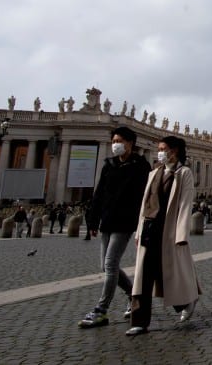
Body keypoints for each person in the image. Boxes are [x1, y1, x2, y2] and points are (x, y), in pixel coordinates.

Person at [127, 136, 202, 336]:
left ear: (174, 151)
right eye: (159, 148)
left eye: (163, 148)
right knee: (143, 276)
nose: (160, 152)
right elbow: (145, 204)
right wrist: (139, 230)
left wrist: (181, 234)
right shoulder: (153, 173)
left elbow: (186, 204)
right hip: (149, 229)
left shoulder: (183, 173)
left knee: (166, 272)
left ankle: (186, 301)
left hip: (168, 230)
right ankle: (139, 321)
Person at [79, 126, 152, 329]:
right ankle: (132, 297)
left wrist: (141, 222)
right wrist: (92, 221)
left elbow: (144, 197)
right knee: (105, 266)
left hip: (125, 221)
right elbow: (99, 193)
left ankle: (101, 310)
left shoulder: (140, 166)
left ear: (130, 143)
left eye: (119, 140)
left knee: (110, 264)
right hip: (107, 220)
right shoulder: (109, 165)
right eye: (113, 141)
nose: (115, 144)